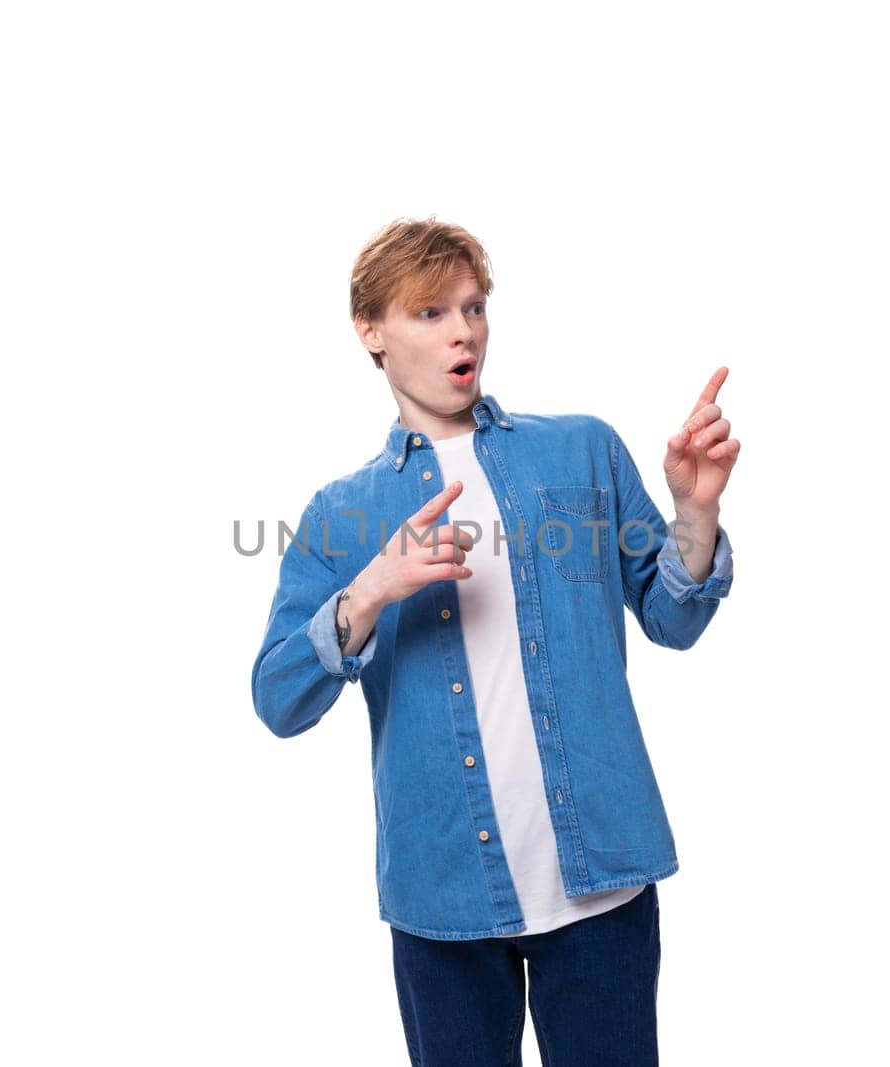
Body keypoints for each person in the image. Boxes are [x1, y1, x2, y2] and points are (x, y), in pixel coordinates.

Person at [250, 217, 740, 1065]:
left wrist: (695, 514)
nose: (462, 331)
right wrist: (372, 586)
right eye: (430, 313)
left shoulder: (582, 449)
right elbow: (278, 698)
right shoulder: (341, 513)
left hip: (602, 887)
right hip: (443, 899)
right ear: (370, 331)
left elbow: (674, 617)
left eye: (472, 307)